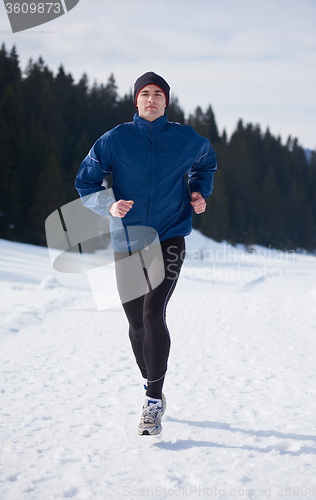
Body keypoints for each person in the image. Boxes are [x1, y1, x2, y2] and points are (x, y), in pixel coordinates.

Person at [75, 72, 217, 435]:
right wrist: (108, 205)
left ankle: (153, 400)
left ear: (166, 102)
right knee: (136, 323)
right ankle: (150, 380)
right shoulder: (115, 139)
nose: (151, 99)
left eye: (158, 94)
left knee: (154, 313)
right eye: (145, 94)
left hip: (169, 236)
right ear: (136, 101)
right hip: (127, 240)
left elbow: (206, 162)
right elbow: (86, 181)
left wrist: (199, 192)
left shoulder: (185, 139)